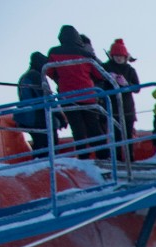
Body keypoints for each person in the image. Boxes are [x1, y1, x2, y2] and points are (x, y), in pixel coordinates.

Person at [43, 26, 113, 159]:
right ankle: (104, 155)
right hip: (88, 95)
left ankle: (83, 157)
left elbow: (49, 71)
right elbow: (99, 74)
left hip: (67, 97)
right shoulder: (85, 54)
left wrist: (60, 80)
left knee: (77, 129)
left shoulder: (54, 52)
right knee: (94, 127)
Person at [14, 53, 61, 153]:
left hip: (29, 119)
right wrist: (59, 116)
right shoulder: (37, 76)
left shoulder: (24, 77)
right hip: (41, 119)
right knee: (49, 148)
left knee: (39, 148)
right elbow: (47, 98)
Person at [101, 38, 138, 160]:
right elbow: (100, 85)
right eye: (116, 55)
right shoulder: (105, 67)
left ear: (125, 56)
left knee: (127, 134)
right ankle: (116, 158)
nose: (119, 58)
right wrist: (108, 79)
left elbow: (137, 88)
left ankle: (130, 157)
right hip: (112, 107)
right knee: (115, 135)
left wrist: (126, 85)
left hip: (127, 107)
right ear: (112, 55)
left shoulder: (130, 69)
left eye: (121, 55)